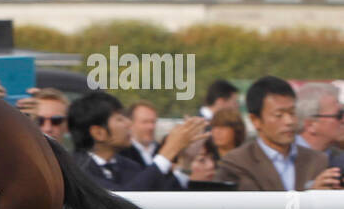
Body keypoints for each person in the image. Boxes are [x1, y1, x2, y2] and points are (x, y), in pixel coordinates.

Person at [214, 76, 337, 191]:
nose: (289, 121)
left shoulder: (318, 161)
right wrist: (310, 196)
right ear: (255, 120)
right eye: (279, 115)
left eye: (292, 113)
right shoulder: (237, 164)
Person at [67, 91, 206, 191]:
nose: (128, 124)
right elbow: (124, 203)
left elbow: (164, 198)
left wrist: (186, 162)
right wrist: (169, 150)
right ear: (98, 133)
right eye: (120, 119)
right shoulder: (77, 170)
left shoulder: (129, 166)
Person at [121, 101, 159, 165]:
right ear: (130, 124)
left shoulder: (162, 150)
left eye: (153, 122)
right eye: (145, 122)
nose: (151, 127)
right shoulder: (122, 153)